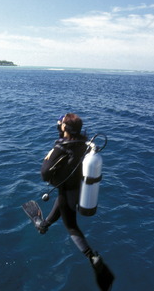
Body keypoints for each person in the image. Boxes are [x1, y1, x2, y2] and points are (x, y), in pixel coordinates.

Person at [38, 113, 114, 291]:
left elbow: (44, 173)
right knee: (62, 204)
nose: (59, 124)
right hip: (77, 188)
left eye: (61, 123)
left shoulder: (61, 147)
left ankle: (91, 256)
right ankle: (44, 224)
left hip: (67, 189)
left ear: (65, 128)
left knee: (71, 226)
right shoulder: (83, 144)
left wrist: (49, 158)